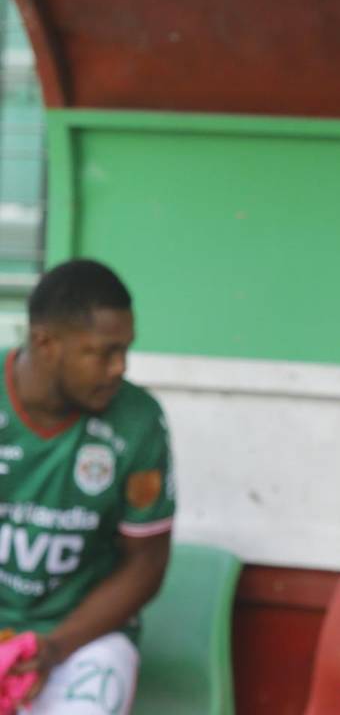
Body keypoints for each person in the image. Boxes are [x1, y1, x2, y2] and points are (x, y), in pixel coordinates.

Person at [0, 259, 174, 715]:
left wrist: (54, 647)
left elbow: (147, 563)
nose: (119, 367)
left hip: (82, 642)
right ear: (45, 342)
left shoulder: (137, 421)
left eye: (126, 351)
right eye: (103, 352)